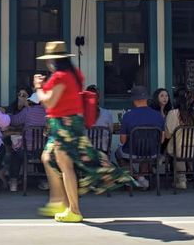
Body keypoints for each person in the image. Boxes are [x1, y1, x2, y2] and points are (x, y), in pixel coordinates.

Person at [34, 41, 134, 223]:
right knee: (47, 157)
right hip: (68, 123)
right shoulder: (74, 74)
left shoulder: (60, 77)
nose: (48, 63)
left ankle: (73, 209)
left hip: (64, 124)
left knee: (66, 167)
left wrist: (39, 87)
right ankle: (58, 201)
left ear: (54, 61)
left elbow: (49, 102)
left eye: (49, 60)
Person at [117, 86, 165, 190]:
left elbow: (122, 140)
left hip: (132, 151)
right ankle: (141, 178)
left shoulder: (127, 116)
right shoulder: (158, 116)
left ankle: (134, 177)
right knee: (145, 153)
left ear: (134, 100)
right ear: (147, 99)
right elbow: (161, 140)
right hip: (152, 152)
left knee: (118, 153)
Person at [7, 92, 47, 192]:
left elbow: (14, 121)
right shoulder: (48, 113)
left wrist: (8, 114)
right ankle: (45, 180)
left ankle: (14, 181)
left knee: (15, 154)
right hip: (43, 150)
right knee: (39, 153)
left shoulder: (27, 111)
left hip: (27, 150)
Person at [164, 88, 194, 189]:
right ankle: (188, 176)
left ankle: (181, 179)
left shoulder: (173, 113)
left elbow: (167, 135)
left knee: (176, 150)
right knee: (181, 150)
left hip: (179, 150)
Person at [86, 84, 114, 152]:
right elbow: (111, 131)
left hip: (86, 153)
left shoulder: (80, 116)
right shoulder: (107, 113)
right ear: (98, 98)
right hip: (103, 152)